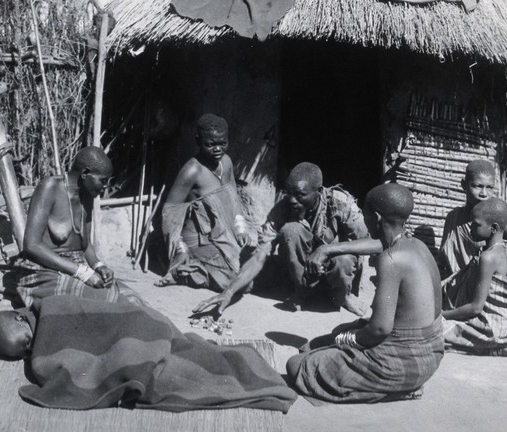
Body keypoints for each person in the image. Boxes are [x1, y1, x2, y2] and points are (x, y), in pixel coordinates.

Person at [0, 296, 297, 413]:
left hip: (139, 323)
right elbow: (59, 357)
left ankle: (247, 368)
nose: (31, 348)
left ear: (18, 316)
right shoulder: (37, 348)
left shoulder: (51, 307)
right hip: (131, 340)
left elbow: (97, 314)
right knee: (175, 376)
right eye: (23, 351)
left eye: (26, 340)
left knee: (180, 350)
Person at [286, 183, 444, 403]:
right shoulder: (415, 244)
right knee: (316, 344)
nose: (363, 219)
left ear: (376, 218)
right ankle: (383, 380)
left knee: (296, 365)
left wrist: (342, 340)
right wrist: (327, 249)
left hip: (402, 362)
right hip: (430, 353)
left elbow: (379, 329)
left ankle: (393, 390)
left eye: (365, 214)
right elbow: (380, 243)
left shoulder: (391, 261)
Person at [193, 162, 369, 316]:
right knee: (290, 231)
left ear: (319, 191)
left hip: (337, 268)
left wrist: (327, 249)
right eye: (289, 193)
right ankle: (302, 291)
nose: (292, 200)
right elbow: (260, 254)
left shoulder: (341, 203)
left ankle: (343, 296)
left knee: (343, 259)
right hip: (307, 271)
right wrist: (229, 292)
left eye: (300, 195)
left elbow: (371, 243)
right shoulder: (283, 208)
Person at [13, 146, 141, 307]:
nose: (106, 186)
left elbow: (85, 245)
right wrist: (82, 273)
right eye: (103, 180)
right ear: (85, 173)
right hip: (43, 270)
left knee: (131, 298)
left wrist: (99, 266)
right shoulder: (49, 187)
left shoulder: (88, 196)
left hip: (77, 267)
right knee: (100, 301)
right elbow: (31, 245)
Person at [156, 113, 250, 291]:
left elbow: (233, 197)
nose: (217, 149)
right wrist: (180, 249)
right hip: (197, 241)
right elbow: (170, 215)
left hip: (223, 235)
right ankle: (185, 272)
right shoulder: (192, 170)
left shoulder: (227, 162)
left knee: (253, 268)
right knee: (236, 282)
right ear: (198, 141)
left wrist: (240, 228)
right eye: (210, 144)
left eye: (222, 143)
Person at [442, 198, 507, 356]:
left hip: (490, 325)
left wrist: (441, 315)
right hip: (497, 320)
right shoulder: (504, 249)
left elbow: (475, 308)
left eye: (476, 225)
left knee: (435, 332)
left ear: (494, 228)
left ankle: (494, 346)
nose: (470, 229)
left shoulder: (488, 258)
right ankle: (502, 344)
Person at [439, 159, 507, 285]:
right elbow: (443, 260)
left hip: (489, 288)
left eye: (489, 188)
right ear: (464, 185)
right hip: (457, 287)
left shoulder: (502, 220)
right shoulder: (453, 218)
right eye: (478, 186)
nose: (484, 194)